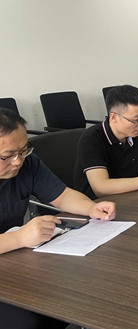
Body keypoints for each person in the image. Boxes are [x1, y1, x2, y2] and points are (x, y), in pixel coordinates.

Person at [0, 108, 116, 328]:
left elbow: (62, 195)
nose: (18, 161)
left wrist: (91, 208)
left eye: (23, 150)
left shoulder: (28, 164)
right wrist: (19, 238)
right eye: (7, 156)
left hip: (13, 263)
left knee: (74, 296)